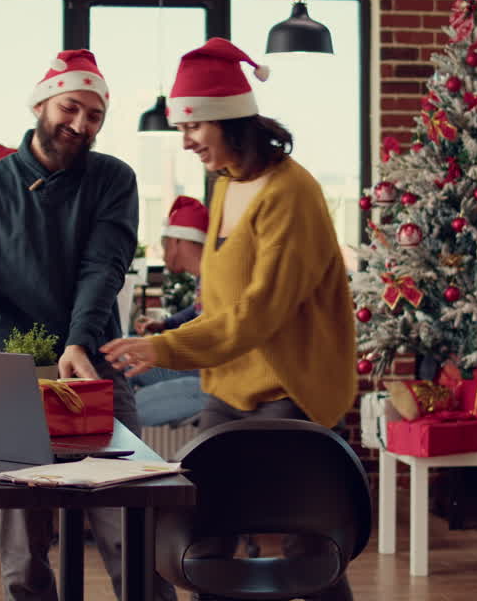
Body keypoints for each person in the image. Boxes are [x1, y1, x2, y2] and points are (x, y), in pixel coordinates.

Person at [101, 37, 357, 601]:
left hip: (293, 386)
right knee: (205, 534)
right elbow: (220, 301)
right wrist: (171, 340)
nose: (186, 141)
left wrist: (163, 348)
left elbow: (257, 313)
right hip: (229, 386)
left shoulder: (292, 193)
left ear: (226, 120)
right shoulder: (226, 185)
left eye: (193, 127)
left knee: (306, 542)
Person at [0, 49, 176, 601]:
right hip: (7, 374)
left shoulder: (113, 179)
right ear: (41, 104)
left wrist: (77, 341)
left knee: (128, 525)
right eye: (71, 108)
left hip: (89, 362)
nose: (80, 124)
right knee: (21, 547)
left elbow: (104, 267)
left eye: (94, 116)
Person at [130, 195, 209, 427]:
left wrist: (161, 344)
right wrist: (164, 325)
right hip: (197, 367)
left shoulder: (218, 279)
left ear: (176, 242)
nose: (163, 252)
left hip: (208, 378)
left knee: (126, 406)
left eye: (165, 244)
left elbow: (208, 328)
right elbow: (195, 310)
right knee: (121, 361)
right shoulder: (203, 277)